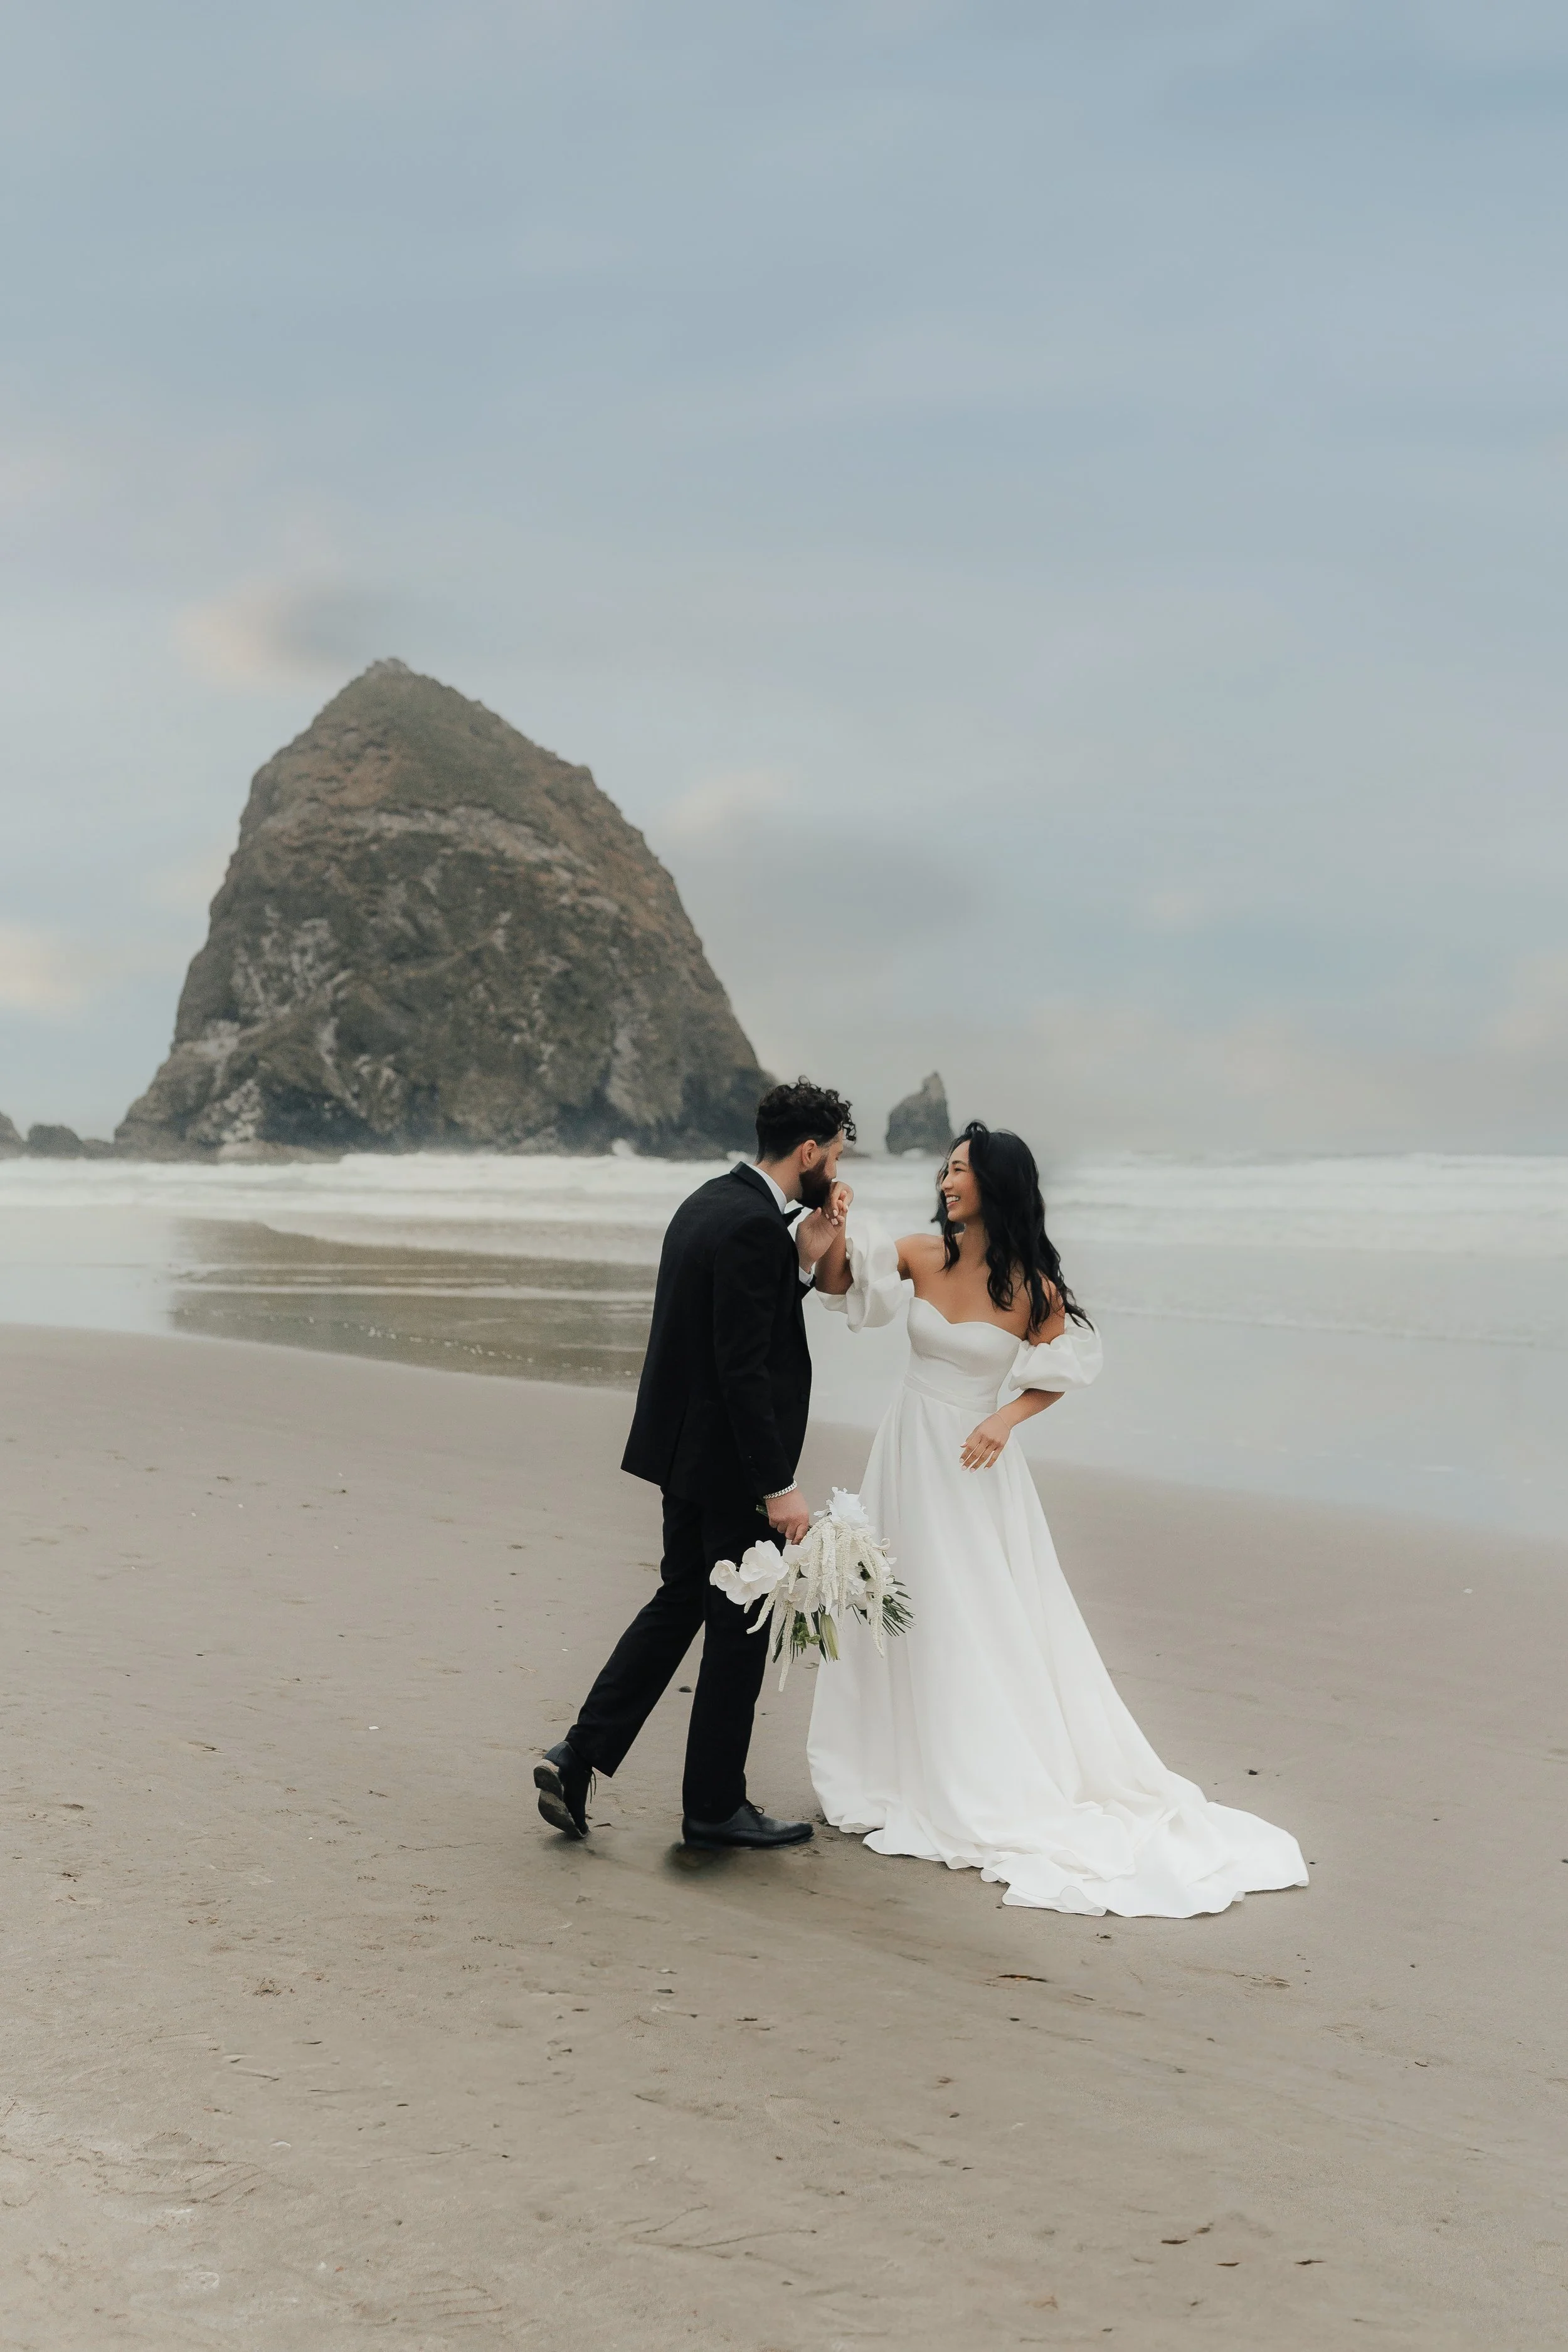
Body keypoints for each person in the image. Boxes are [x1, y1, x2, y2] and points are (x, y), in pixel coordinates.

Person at [807, 1121, 1308, 1917]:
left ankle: (979, 1764)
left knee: (974, 1609)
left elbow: (1064, 1367)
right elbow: (838, 1286)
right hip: (906, 1451)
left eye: (961, 1171)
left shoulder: (1032, 1288)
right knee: (904, 1600)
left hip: (975, 1465)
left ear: (995, 1185)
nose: (945, 1180)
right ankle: (895, 1765)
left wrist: (1005, 1419)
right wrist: (830, 1224)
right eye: (946, 1169)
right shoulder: (917, 1252)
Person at [536, 1079, 855, 1850]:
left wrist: (802, 1262)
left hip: (684, 1456)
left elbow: (729, 1320)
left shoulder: (710, 1203)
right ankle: (714, 1806)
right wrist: (776, 1485)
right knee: (740, 1626)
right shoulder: (750, 1227)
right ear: (808, 1152)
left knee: (680, 1600)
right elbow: (742, 1366)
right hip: (731, 1468)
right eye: (836, 1155)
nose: (839, 1171)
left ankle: (578, 1755)